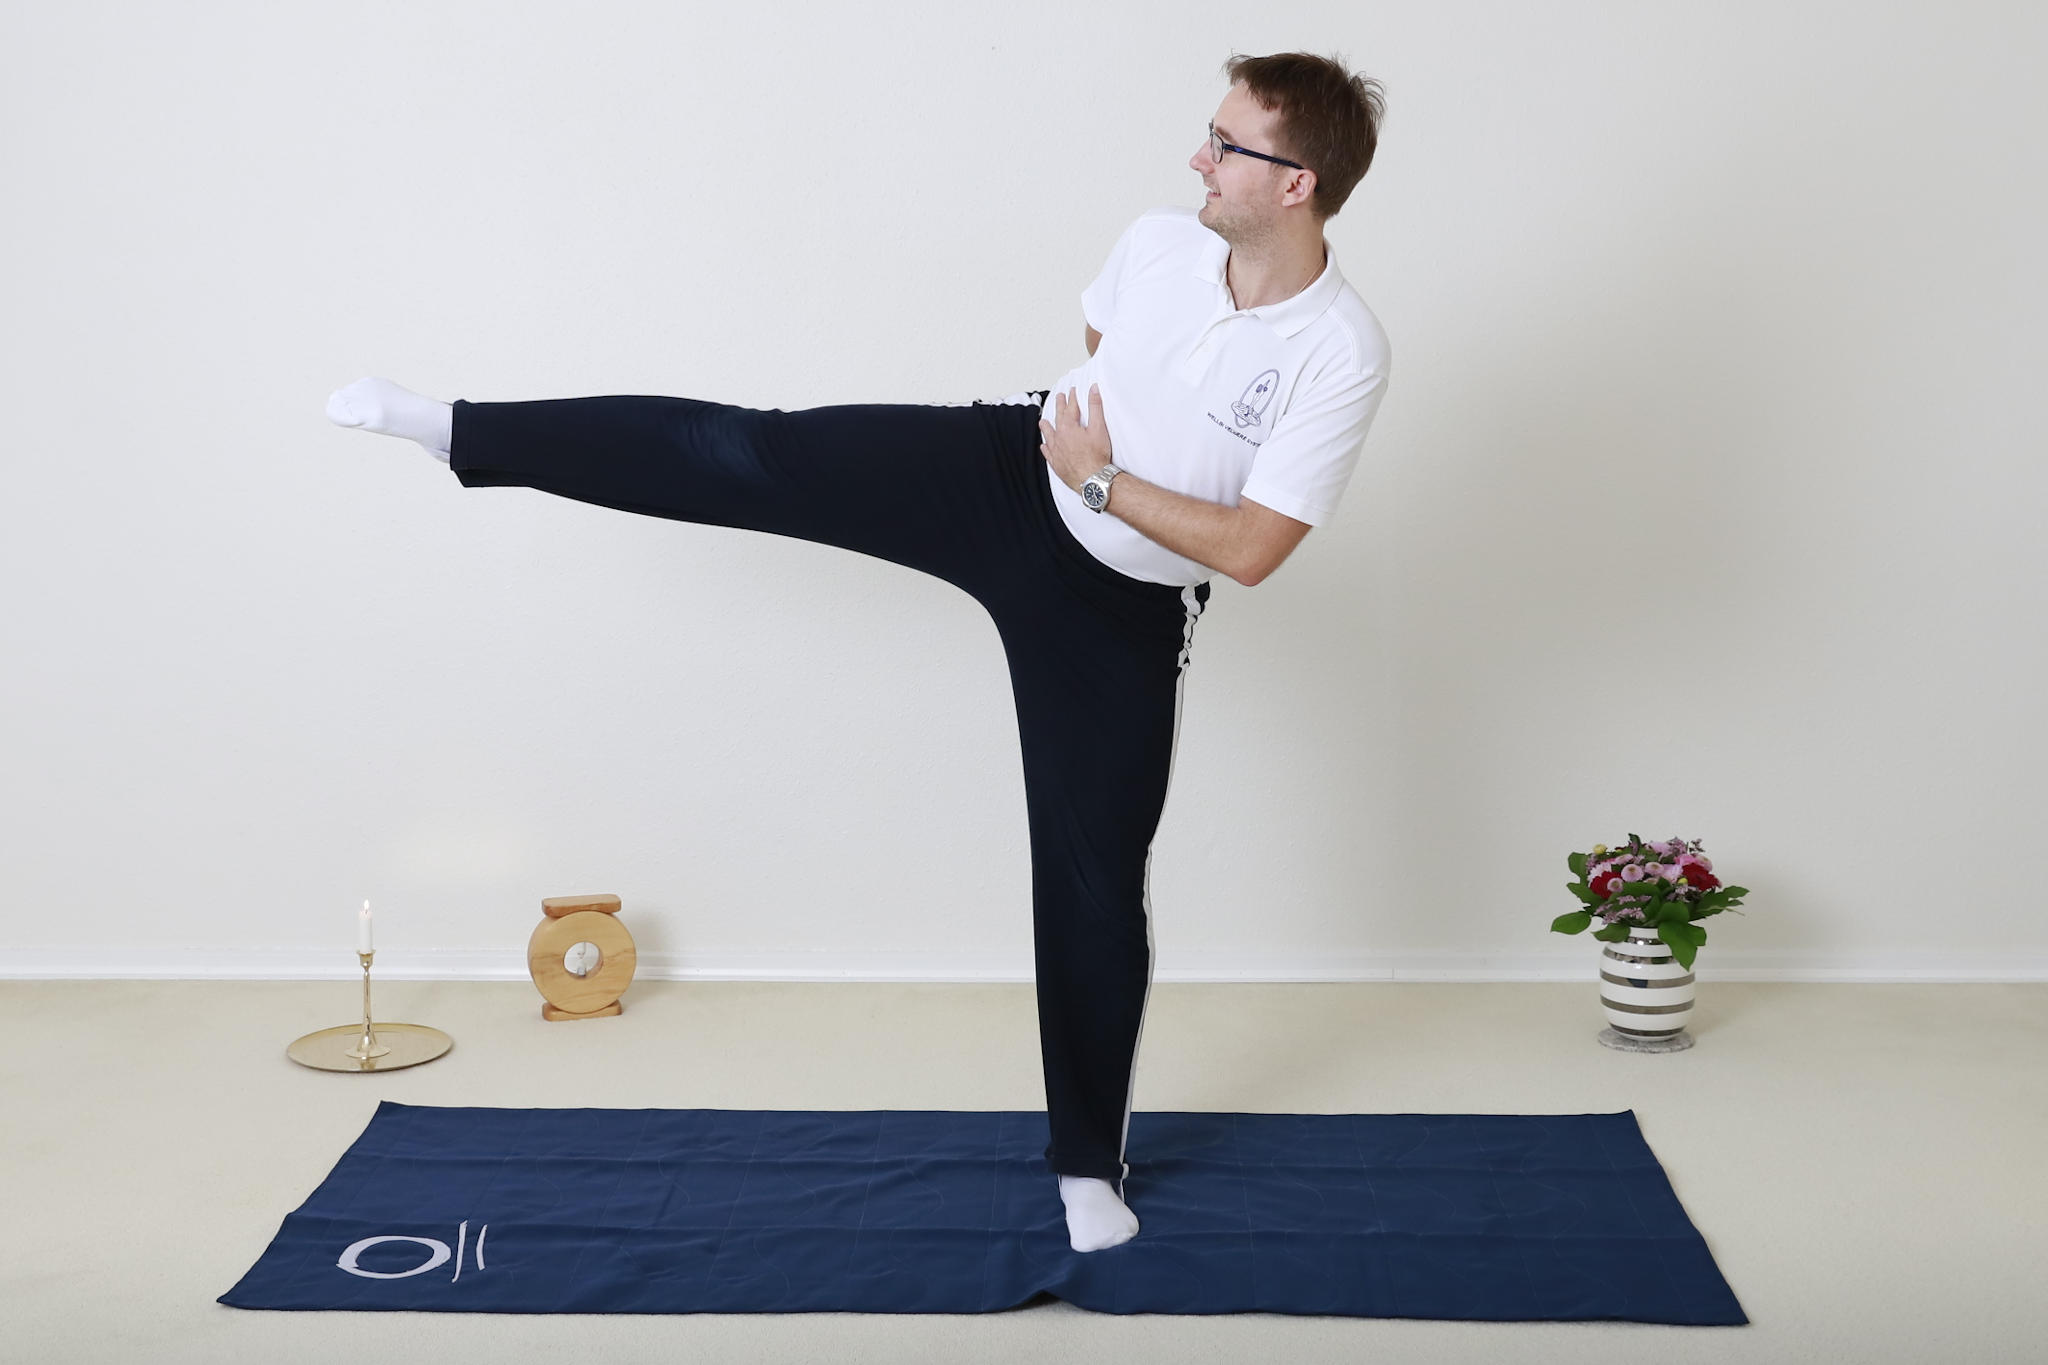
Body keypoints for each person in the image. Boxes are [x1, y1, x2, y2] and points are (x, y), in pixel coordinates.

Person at [326, 50, 1390, 1254]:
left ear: (1295, 183)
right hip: (1007, 475)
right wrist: (1075, 460)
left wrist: (1102, 480)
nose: (1197, 157)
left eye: (1225, 146)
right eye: (1207, 131)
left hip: (1119, 602)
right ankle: (459, 430)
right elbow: (1104, 343)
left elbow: (1250, 548)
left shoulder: (1339, 349)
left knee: (1094, 879)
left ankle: (1088, 1165)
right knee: (759, 455)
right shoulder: (1160, 243)